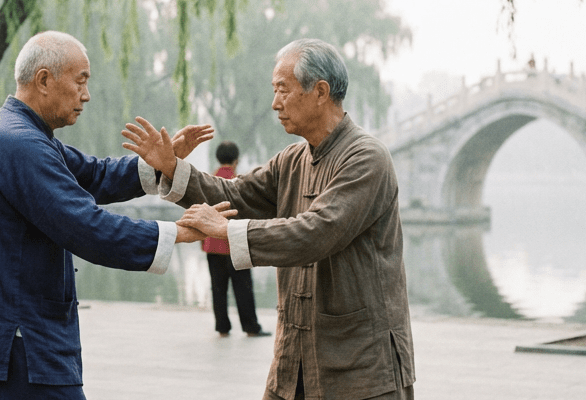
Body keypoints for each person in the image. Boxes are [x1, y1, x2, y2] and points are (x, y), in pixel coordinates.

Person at [124, 38, 415, 399]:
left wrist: (227, 231)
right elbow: (235, 195)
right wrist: (171, 167)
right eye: (274, 90)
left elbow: (318, 232)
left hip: (361, 368)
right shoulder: (292, 160)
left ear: (320, 92)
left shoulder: (366, 158)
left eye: (283, 90)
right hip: (294, 362)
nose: (275, 103)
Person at [0, 31, 219, 400]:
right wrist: (176, 234)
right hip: (19, 342)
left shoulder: (20, 133)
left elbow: (93, 174)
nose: (86, 95)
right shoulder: (21, 143)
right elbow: (85, 226)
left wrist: (155, 163)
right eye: (80, 81)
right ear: (43, 80)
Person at [202, 141, 269, 338]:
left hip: (212, 243)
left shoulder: (206, 181)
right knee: (243, 287)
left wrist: (202, 241)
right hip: (235, 243)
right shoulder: (238, 182)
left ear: (218, 158)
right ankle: (250, 327)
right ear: (236, 160)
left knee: (218, 287)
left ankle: (222, 327)